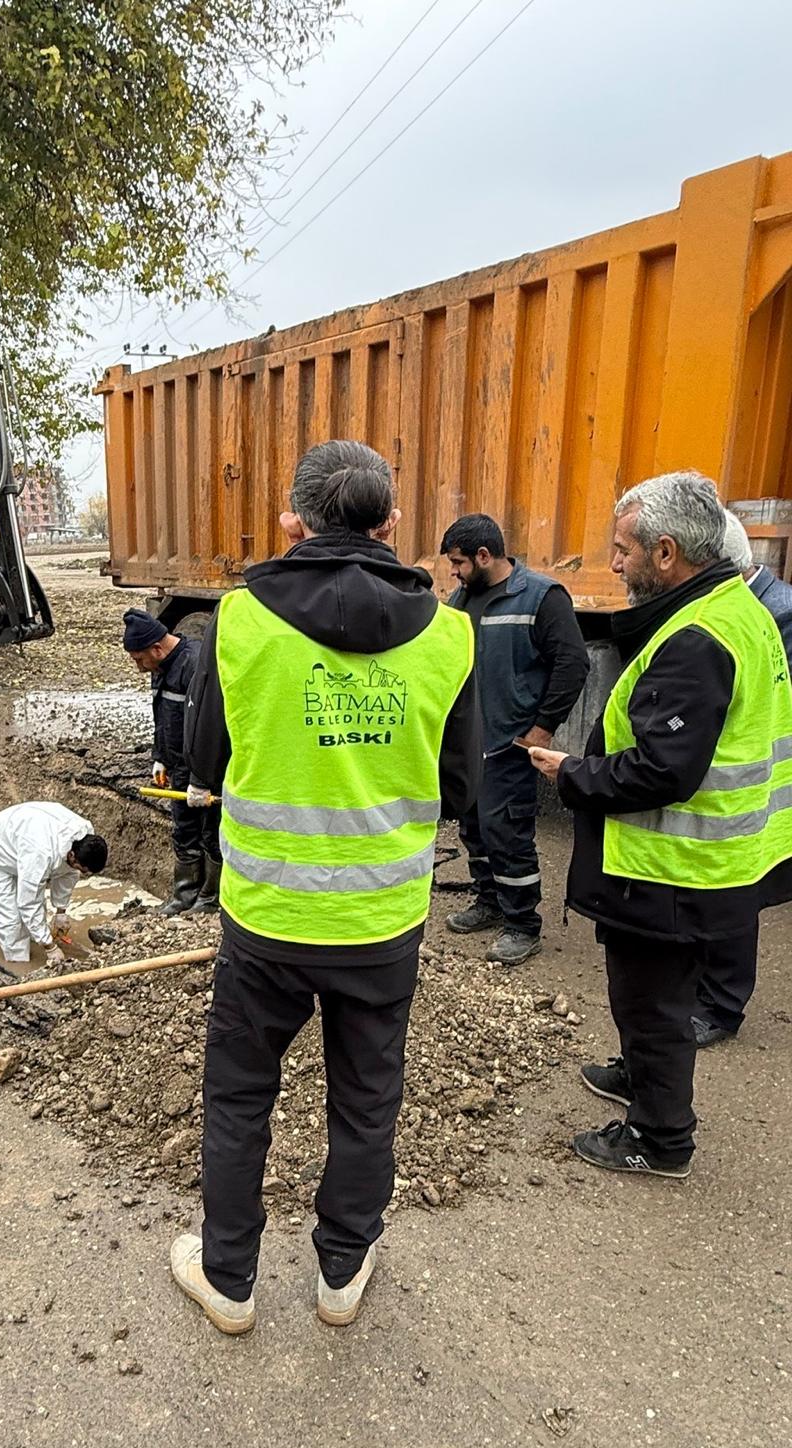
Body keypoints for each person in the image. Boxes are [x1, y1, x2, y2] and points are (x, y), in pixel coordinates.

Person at [171, 439, 480, 1335]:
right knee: (367, 1099)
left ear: (292, 521)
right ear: (390, 526)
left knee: (238, 1098)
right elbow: (462, 790)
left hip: (266, 920)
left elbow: (205, 763)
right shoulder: (451, 633)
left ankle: (229, 1281)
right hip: (382, 923)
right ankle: (341, 1273)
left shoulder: (237, 622)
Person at [531, 472, 792, 1178]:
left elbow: (661, 770)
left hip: (673, 869)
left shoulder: (697, 637)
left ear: (668, 553)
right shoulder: (737, 607)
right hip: (709, 862)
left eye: (622, 549)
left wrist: (571, 776)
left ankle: (659, 1137)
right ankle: (644, 1074)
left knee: (650, 1001)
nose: (613, 563)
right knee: (659, 998)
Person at [441, 513, 590, 966]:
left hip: (510, 746)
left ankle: (523, 925)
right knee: (474, 830)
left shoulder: (542, 597)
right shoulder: (459, 601)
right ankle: (488, 902)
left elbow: (572, 664)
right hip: (470, 745)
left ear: (485, 556)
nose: (454, 572)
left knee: (508, 835)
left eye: (459, 562)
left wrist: (540, 731)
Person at [689, 511, 792, 1046]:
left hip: (752, 788)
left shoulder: (772, 613)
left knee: (734, 903)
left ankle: (722, 1007)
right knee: (720, 897)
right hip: (735, 785)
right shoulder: (755, 607)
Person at [123, 609, 222, 915]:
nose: (139, 668)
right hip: (178, 766)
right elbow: (162, 717)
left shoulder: (194, 665)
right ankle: (183, 895)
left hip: (203, 768)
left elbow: (209, 726)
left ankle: (209, 898)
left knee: (210, 832)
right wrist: (159, 758)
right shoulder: (160, 668)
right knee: (183, 830)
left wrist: (203, 780)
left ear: (156, 647)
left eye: (140, 659)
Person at [0, 802, 108, 968]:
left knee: (34, 907)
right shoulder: (41, 853)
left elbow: (68, 873)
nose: (81, 873)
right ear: (72, 855)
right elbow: (28, 902)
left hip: (17, 847)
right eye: (80, 868)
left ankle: (35, 938)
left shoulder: (83, 839)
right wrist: (50, 947)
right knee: (10, 918)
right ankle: (18, 964)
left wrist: (61, 912)